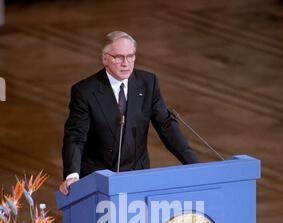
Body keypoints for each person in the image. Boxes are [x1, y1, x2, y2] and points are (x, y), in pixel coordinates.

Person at [59, 31, 199, 195]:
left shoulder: (148, 83)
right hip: (98, 180)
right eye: (118, 57)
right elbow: (76, 136)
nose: (126, 63)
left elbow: (166, 126)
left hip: (136, 178)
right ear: (105, 59)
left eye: (130, 56)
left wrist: (195, 165)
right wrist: (72, 175)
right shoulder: (85, 91)